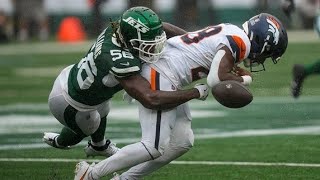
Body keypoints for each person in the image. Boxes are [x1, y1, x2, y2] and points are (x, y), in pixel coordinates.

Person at [74, 13, 288, 180]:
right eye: (268, 53)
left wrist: (233, 72)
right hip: (162, 71)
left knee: (182, 141)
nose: (263, 59)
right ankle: (91, 174)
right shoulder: (242, 43)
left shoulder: (232, 30)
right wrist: (245, 80)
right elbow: (215, 80)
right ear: (263, 42)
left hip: (168, 71)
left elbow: (201, 50)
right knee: (153, 145)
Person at [43, 6, 209, 158]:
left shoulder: (121, 29)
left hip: (77, 80)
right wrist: (195, 92)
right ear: (131, 41)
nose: (154, 48)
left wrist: (197, 44)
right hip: (70, 104)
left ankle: (98, 146)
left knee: (102, 106)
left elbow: (162, 27)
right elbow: (151, 98)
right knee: (91, 123)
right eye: (147, 45)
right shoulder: (118, 58)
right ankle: (60, 141)